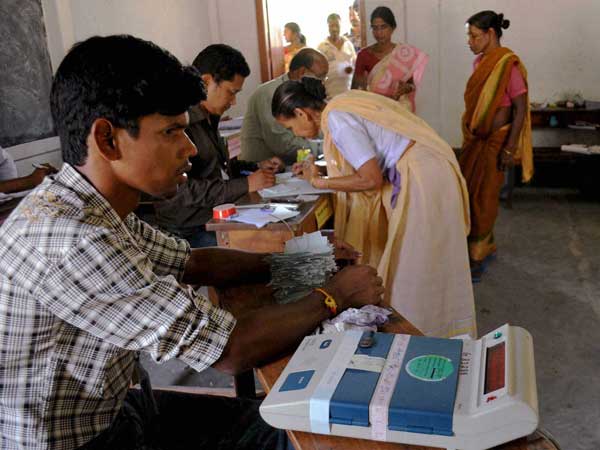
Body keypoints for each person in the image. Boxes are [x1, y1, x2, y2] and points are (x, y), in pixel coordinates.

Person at [0, 34, 384, 450]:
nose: (188, 149)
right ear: (108, 139)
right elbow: (231, 350)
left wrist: (303, 259)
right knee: (294, 435)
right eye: (171, 132)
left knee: (285, 426)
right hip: (80, 439)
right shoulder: (72, 238)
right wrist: (335, 295)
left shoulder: (94, 207)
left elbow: (193, 263)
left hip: (118, 406)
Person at [273, 77, 476, 339]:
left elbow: (370, 178)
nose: (295, 134)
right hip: (427, 169)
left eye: (290, 127)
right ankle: (439, 331)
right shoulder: (342, 103)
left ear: (301, 113)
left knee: (417, 265)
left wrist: (318, 181)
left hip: (424, 177)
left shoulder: (337, 118)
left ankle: (426, 336)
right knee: (428, 260)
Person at [153, 44, 283, 247]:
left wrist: (255, 168)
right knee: (262, 249)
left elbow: (216, 167)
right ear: (206, 82)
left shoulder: (209, 116)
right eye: (231, 92)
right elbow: (181, 190)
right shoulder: (176, 123)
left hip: (217, 216)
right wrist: (246, 184)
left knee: (278, 235)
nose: (233, 101)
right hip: (189, 230)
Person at [461, 11, 532, 280]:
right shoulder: (479, 63)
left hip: (496, 143)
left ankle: (479, 256)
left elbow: (520, 108)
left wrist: (510, 148)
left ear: (491, 33)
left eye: (474, 35)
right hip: (475, 141)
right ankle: (478, 247)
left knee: (485, 199)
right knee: (468, 194)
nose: (469, 41)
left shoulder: (507, 65)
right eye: (469, 35)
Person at [240, 48, 329, 164]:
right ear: (302, 72)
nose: (323, 83)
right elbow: (285, 146)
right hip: (262, 170)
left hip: (289, 166)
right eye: (321, 77)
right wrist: (330, 146)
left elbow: (317, 126)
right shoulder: (270, 94)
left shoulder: (299, 93)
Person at [351, 6, 428, 112]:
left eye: (383, 27)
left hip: (397, 110)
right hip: (374, 110)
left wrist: (406, 88)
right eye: (375, 28)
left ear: (393, 28)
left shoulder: (404, 54)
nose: (379, 33)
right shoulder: (364, 55)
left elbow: (411, 84)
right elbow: (356, 90)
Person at [318, 13, 357, 98]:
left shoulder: (349, 44)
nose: (334, 29)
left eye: (337, 25)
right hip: (329, 96)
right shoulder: (322, 47)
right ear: (328, 27)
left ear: (341, 26)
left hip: (348, 94)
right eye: (331, 26)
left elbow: (355, 66)